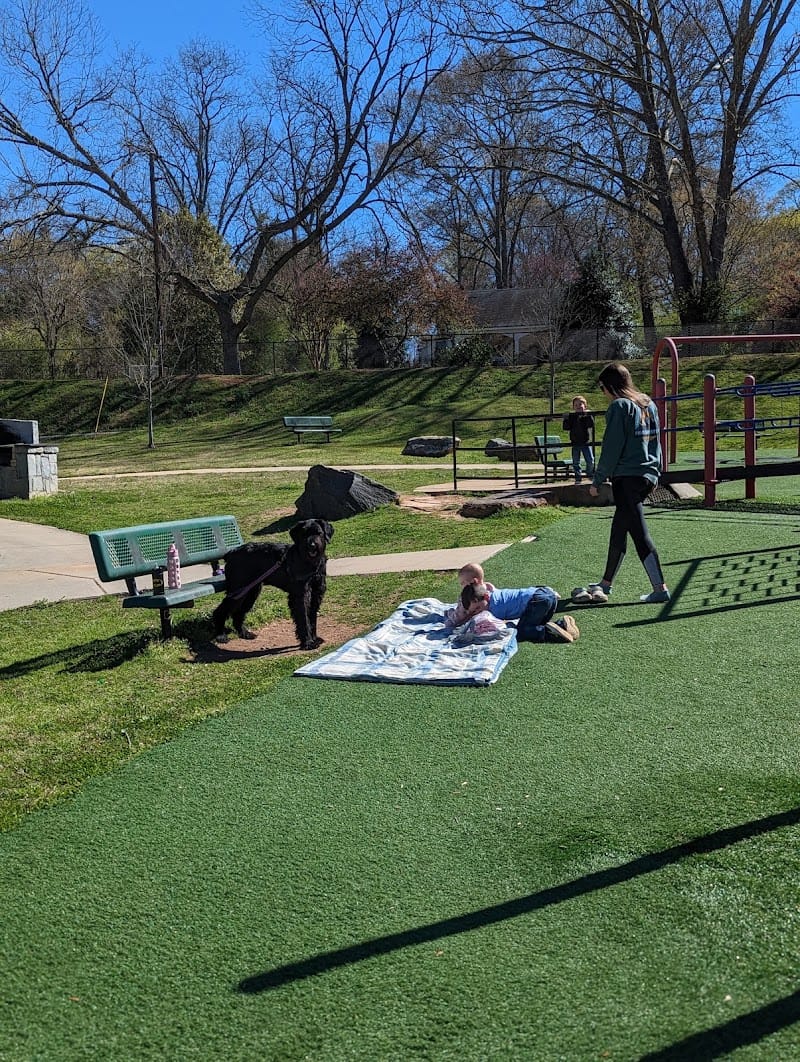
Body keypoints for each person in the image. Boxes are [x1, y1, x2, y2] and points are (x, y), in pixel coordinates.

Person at [572, 361, 669, 605]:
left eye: (603, 389)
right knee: (619, 528)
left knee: (639, 533)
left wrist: (598, 479)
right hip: (647, 476)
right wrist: (656, 472)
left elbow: (612, 447)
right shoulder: (648, 403)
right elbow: (658, 441)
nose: (604, 395)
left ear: (609, 387)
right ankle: (606, 583)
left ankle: (660, 588)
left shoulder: (620, 406)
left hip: (626, 478)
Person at [452, 581, 580, 643]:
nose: (478, 613)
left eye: (478, 609)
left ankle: (550, 633)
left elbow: (497, 625)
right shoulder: (494, 593)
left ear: (485, 598)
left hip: (537, 601)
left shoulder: (493, 608)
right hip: (547, 595)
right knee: (533, 624)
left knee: (521, 631)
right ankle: (562, 624)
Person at [443, 562, 496, 628]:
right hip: (487, 616)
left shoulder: (469, 596)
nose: (461, 586)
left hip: (470, 618)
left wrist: (451, 622)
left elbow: (460, 615)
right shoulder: (489, 587)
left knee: (452, 617)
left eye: (463, 583)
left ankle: (449, 613)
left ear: (474, 581)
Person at [562, 395, 595, 483]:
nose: (578, 406)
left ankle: (589, 474)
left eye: (580, 404)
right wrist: (566, 418)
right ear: (573, 407)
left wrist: (588, 415)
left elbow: (590, 424)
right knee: (576, 462)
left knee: (590, 460)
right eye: (576, 405)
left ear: (585, 406)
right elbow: (566, 428)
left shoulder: (586, 415)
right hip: (575, 442)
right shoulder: (572, 416)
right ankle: (578, 477)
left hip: (585, 442)